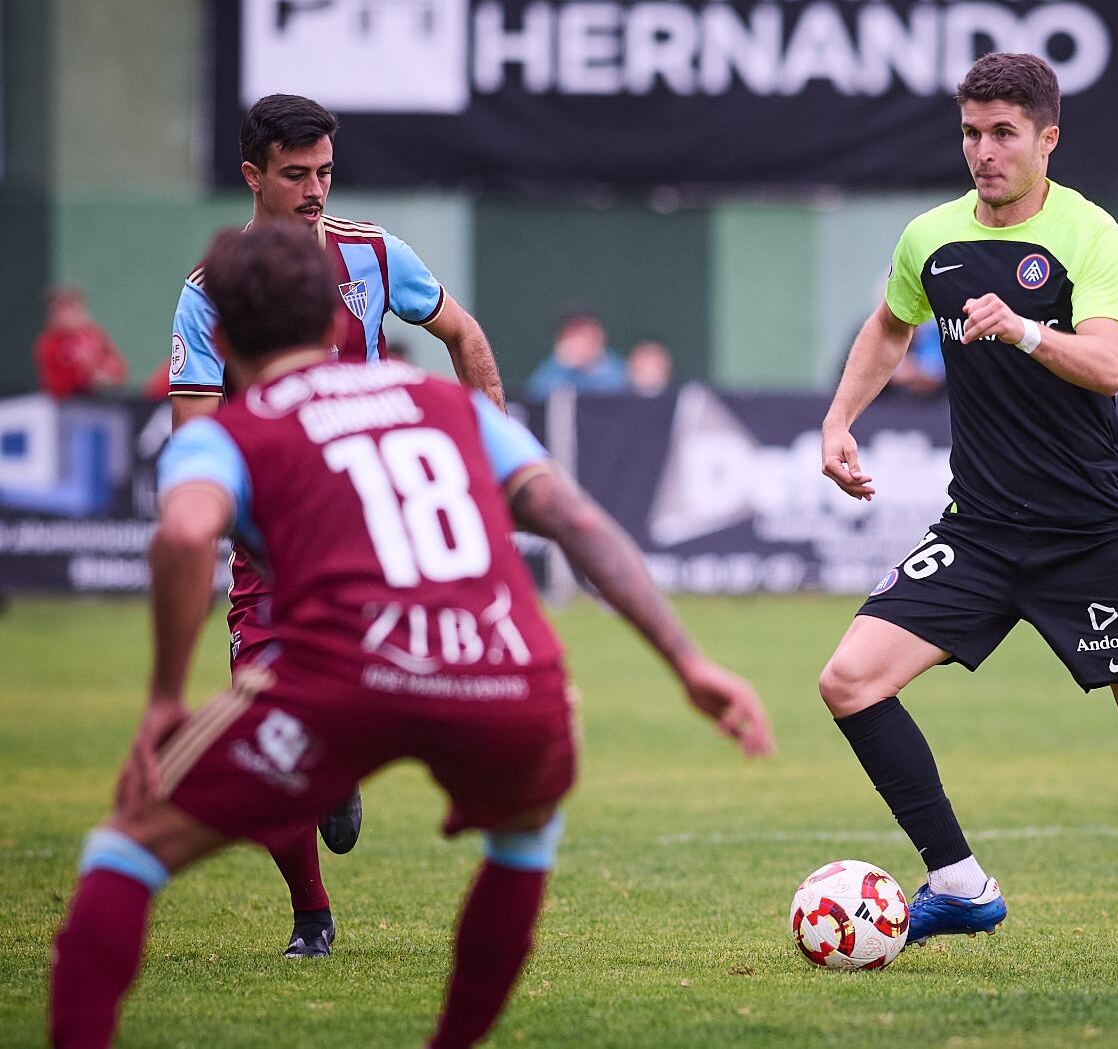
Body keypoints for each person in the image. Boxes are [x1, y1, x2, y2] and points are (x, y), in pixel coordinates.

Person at [49, 222, 775, 1049]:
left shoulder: (225, 436)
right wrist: (688, 661)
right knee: (525, 834)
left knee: (126, 847)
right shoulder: (446, 405)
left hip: (340, 678)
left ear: (217, 337)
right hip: (507, 680)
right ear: (334, 323)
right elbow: (572, 517)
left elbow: (183, 536)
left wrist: (163, 700)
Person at [816, 53, 1118, 969]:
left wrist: (1025, 329)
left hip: (1088, 533)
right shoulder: (931, 238)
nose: (984, 151)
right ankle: (962, 886)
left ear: (1048, 138)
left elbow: (1111, 366)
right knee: (849, 680)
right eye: (971, 132)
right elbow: (891, 325)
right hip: (979, 532)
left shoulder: (1091, 235)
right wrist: (841, 418)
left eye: (1004, 133)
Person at [165, 93, 510, 958]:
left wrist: (490, 456)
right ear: (252, 176)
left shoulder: (374, 254)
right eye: (295, 175)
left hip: (375, 536)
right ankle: (310, 916)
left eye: (324, 172)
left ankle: (341, 764)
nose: (315, 191)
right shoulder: (212, 296)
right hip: (274, 552)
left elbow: (464, 335)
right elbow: (195, 437)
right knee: (266, 728)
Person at [34, 288, 128, 400]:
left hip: (101, 400)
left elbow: (119, 368)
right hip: (69, 404)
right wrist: (82, 372)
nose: (70, 315)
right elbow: (56, 386)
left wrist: (105, 373)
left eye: (74, 308)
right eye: (63, 310)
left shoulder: (93, 335)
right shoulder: (49, 343)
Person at [524, 312, 627, 401]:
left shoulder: (613, 367)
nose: (575, 343)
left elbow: (614, 399)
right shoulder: (556, 365)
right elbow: (535, 396)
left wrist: (588, 368)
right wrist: (562, 365)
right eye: (570, 335)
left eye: (581, 335)